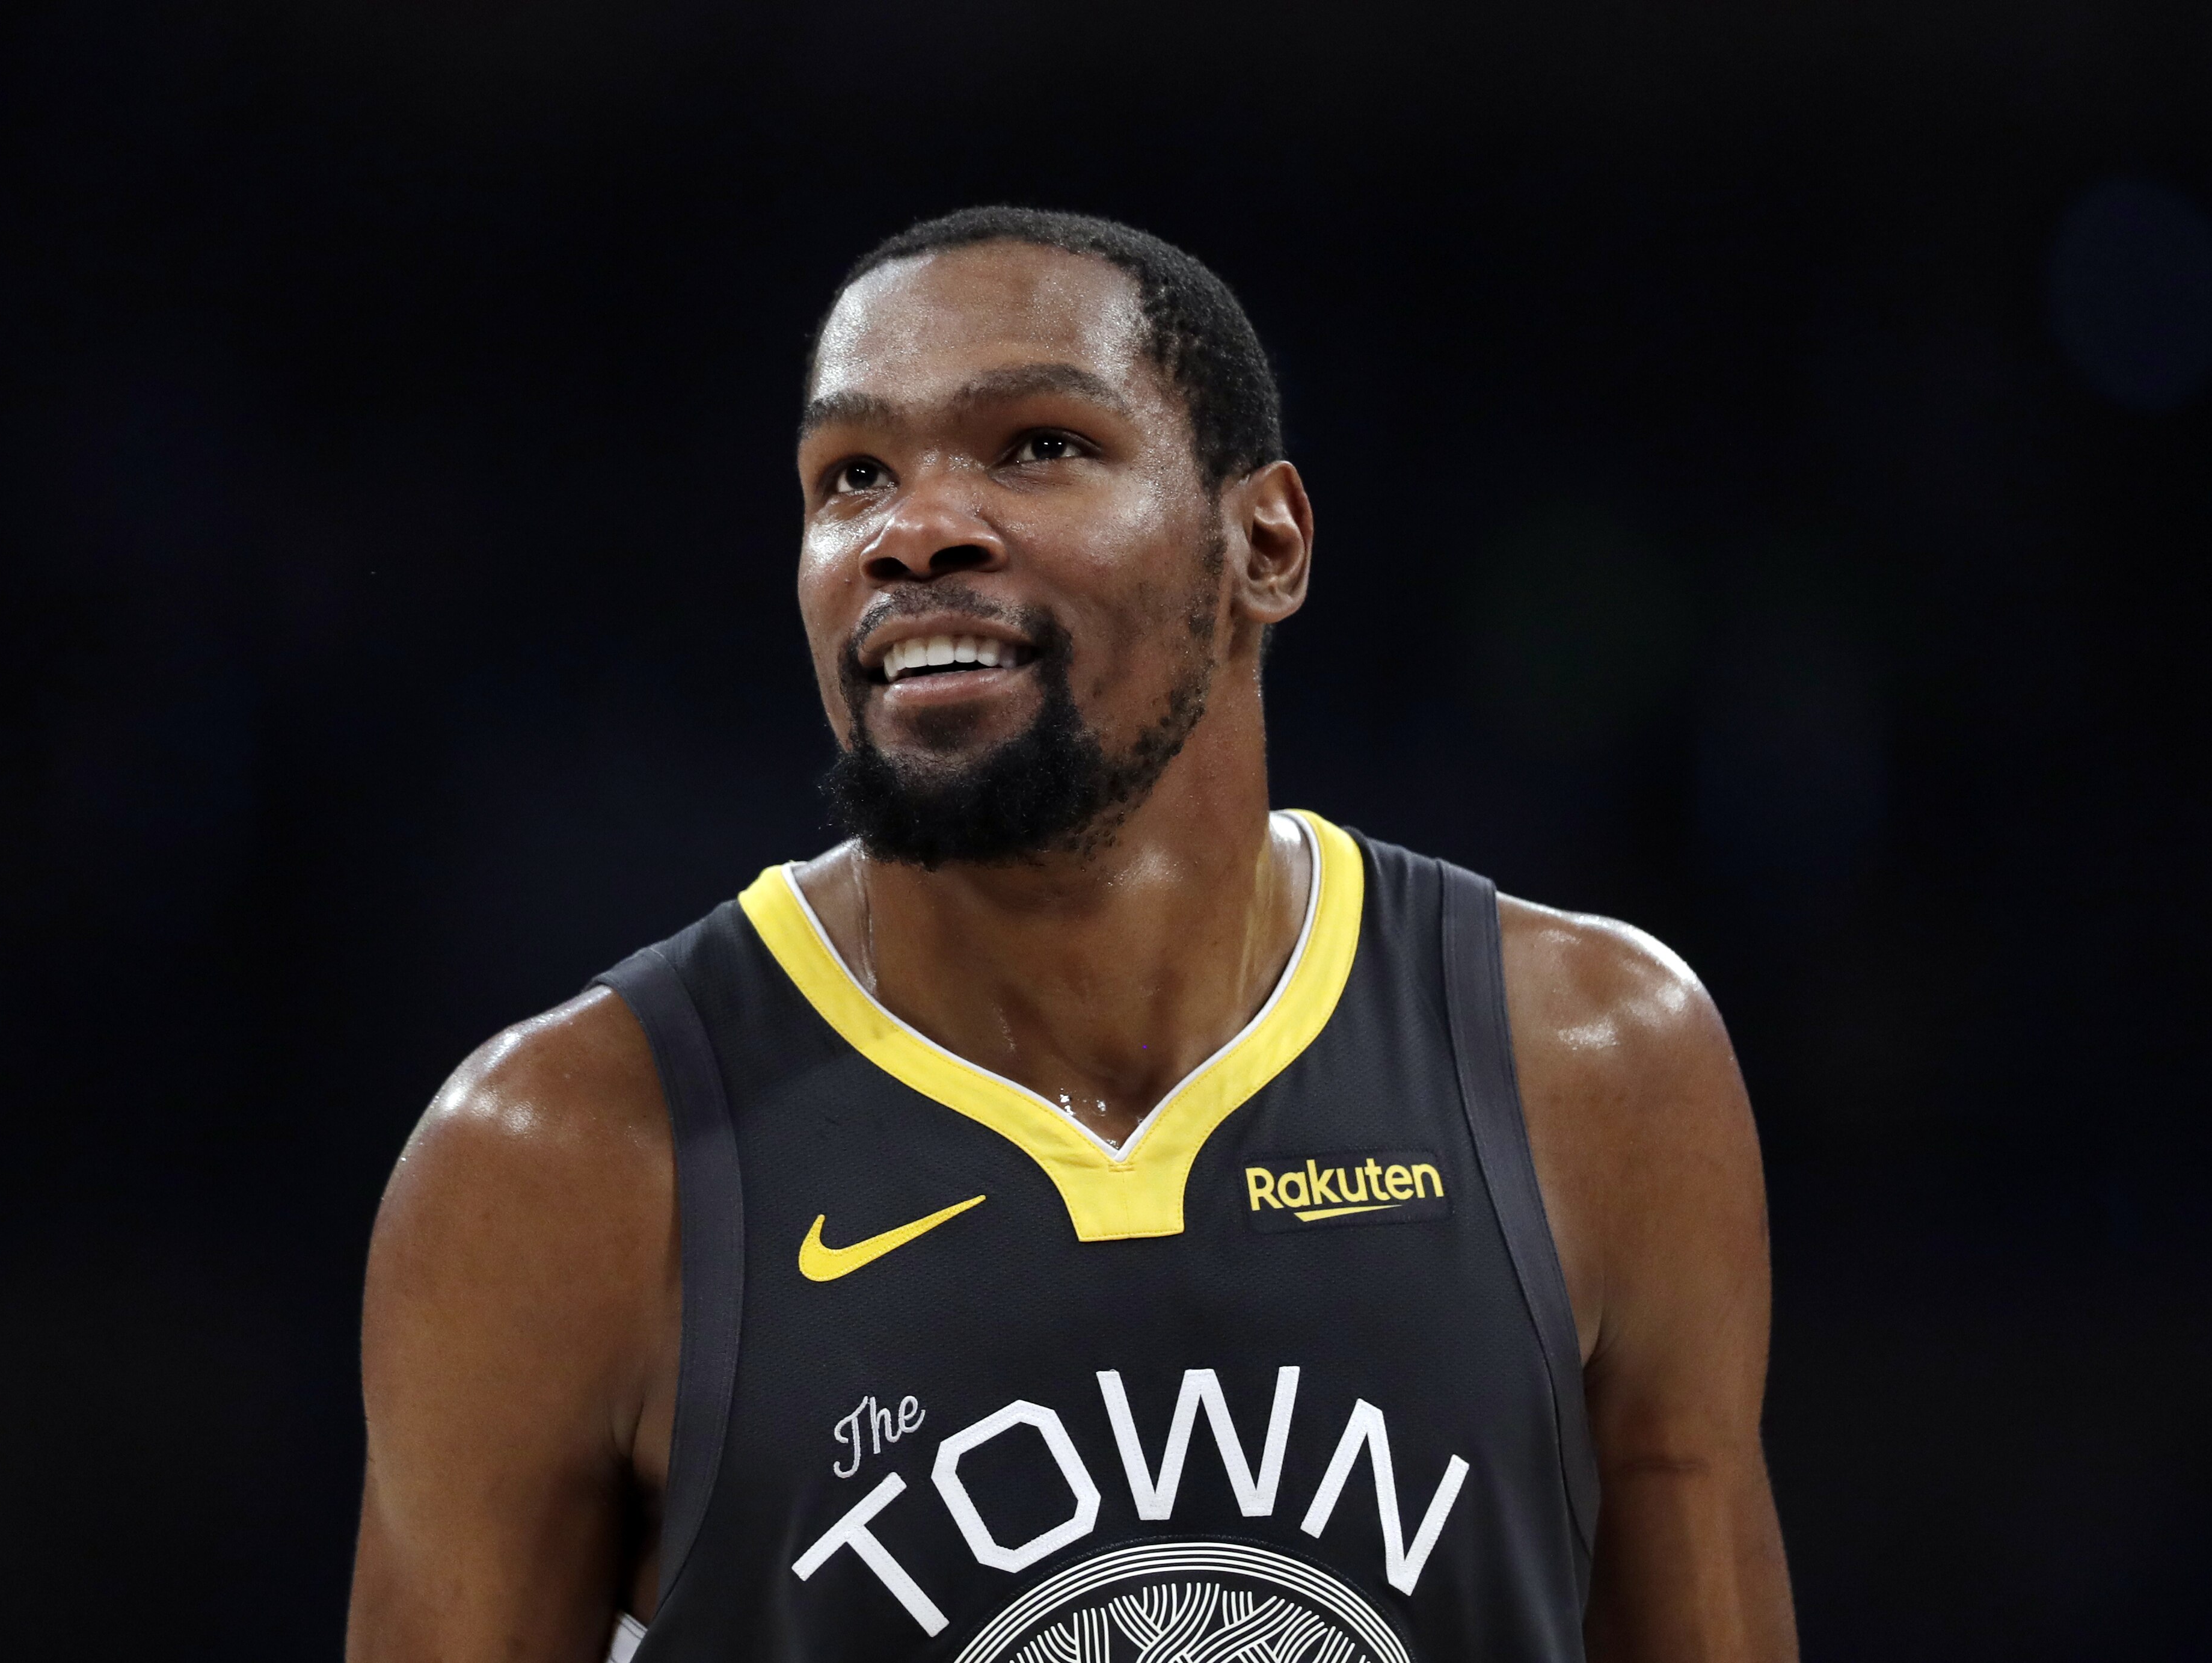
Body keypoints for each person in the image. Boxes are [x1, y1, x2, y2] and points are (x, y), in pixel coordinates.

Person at [345, 207, 1798, 1663]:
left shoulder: (1591, 1064)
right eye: (852, 475)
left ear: (1264, 544)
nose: (914, 530)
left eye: (1036, 445)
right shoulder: (559, 1162)